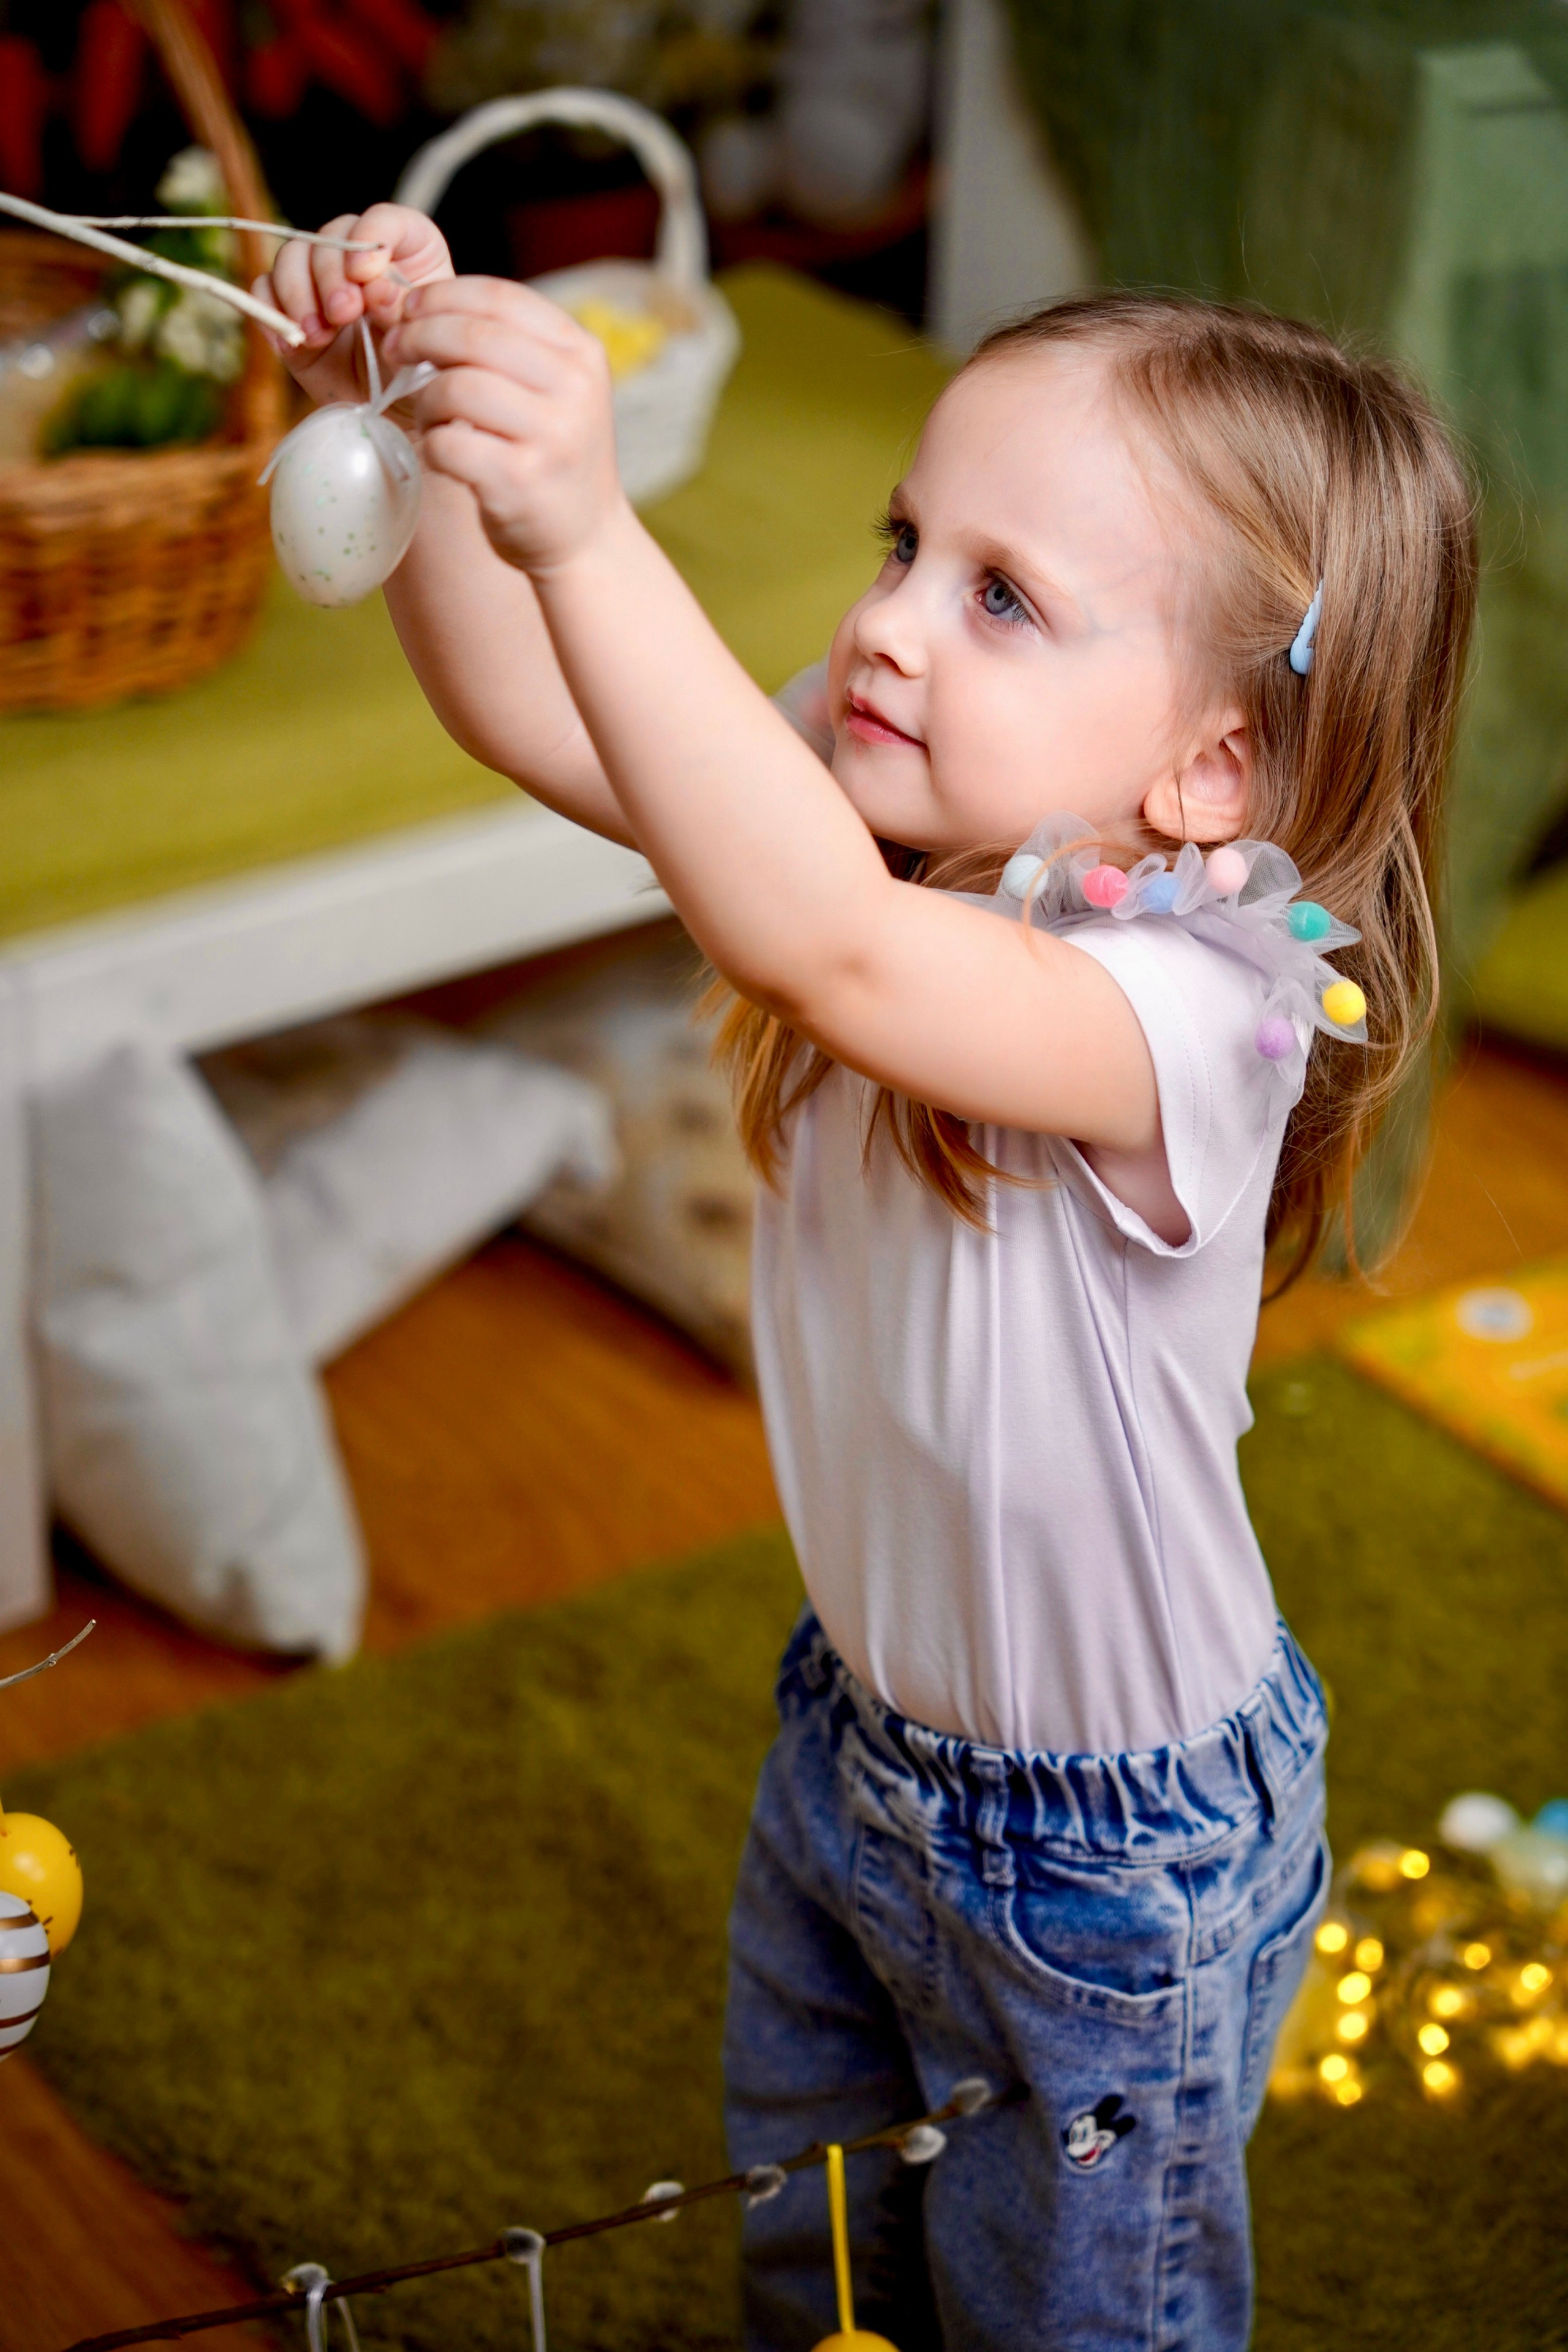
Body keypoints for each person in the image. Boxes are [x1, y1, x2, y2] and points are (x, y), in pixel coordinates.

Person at [260, 213, 1476, 2351]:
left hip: (1121, 1854)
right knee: (818, 2260)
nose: (893, 623)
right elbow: (537, 713)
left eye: (1002, 596)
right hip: (861, 1741)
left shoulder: (1204, 1013)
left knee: (1071, 2323)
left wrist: (594, 520)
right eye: (907, 539)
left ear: (1208, 766)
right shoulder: (898, 825)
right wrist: (406, 430)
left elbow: (812, 936)